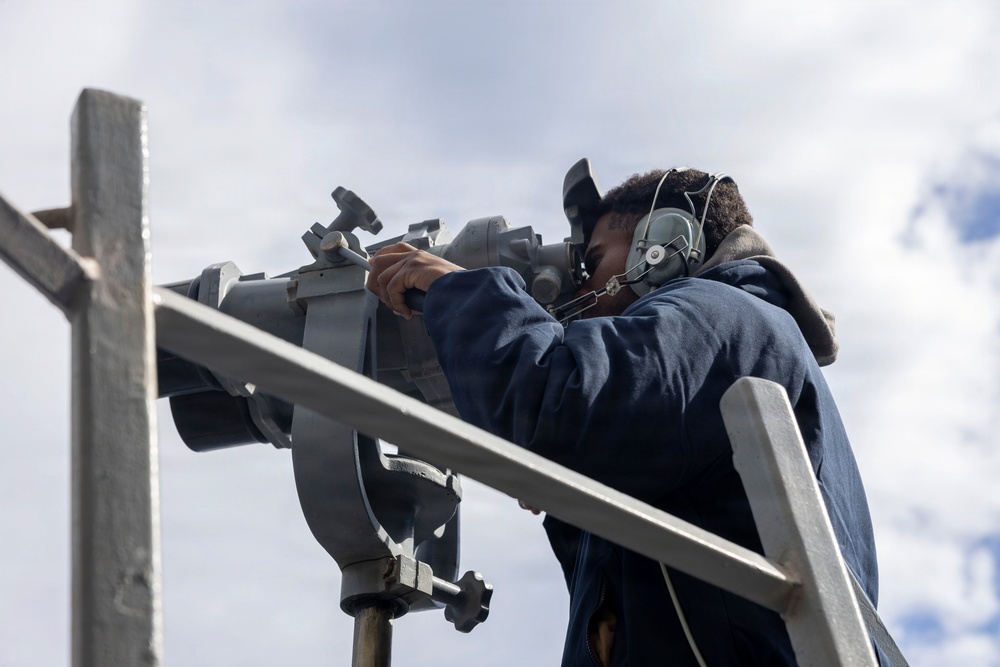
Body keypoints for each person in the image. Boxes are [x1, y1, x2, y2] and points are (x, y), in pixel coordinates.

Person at [366, 166, 886, 666]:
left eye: (592, 262)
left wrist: (459, 291)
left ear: (662, 243)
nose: (582, 294)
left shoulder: (718, 314)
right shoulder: (741, 337)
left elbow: (557, 404)